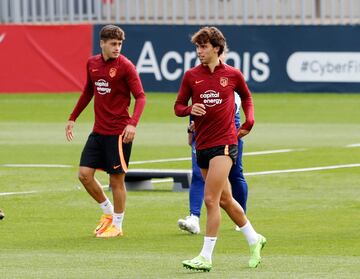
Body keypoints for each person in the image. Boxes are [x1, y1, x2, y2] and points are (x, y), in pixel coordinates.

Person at [174, 26, 266, 271]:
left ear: (216, 48)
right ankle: (254, 238)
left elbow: (247, 98)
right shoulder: (191, 76)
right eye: (197, 47)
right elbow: (178, 106)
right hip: (201, 143)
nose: (199, 51)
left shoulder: (233, 75)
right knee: (225, 199)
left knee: (211, 199)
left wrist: (250, 121)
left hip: (225, 143)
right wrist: (189, 110)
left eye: (203, 47)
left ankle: (205, 257)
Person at [65, 25, 146, 238]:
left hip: (119, 133)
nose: (117, 48)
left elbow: (141, 97)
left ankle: (117, 225)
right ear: (102, 43)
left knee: (116, 181)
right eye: (113, 44)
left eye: (119, 44)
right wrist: (73, 117)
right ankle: (108, 213)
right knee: (84, 175)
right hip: (98, 131)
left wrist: (133, 124)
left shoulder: (126, 66)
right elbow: (88, 92)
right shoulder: (92, 63)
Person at [177, 91, 249, 234]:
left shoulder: (230, 81)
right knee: (198, 174)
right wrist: (190, 131)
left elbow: (232, 111)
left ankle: (241, 218)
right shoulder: (198, 80)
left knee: (235, 175)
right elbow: (193, 107)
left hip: (228, 136)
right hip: (203, 136)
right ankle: (194, 218)